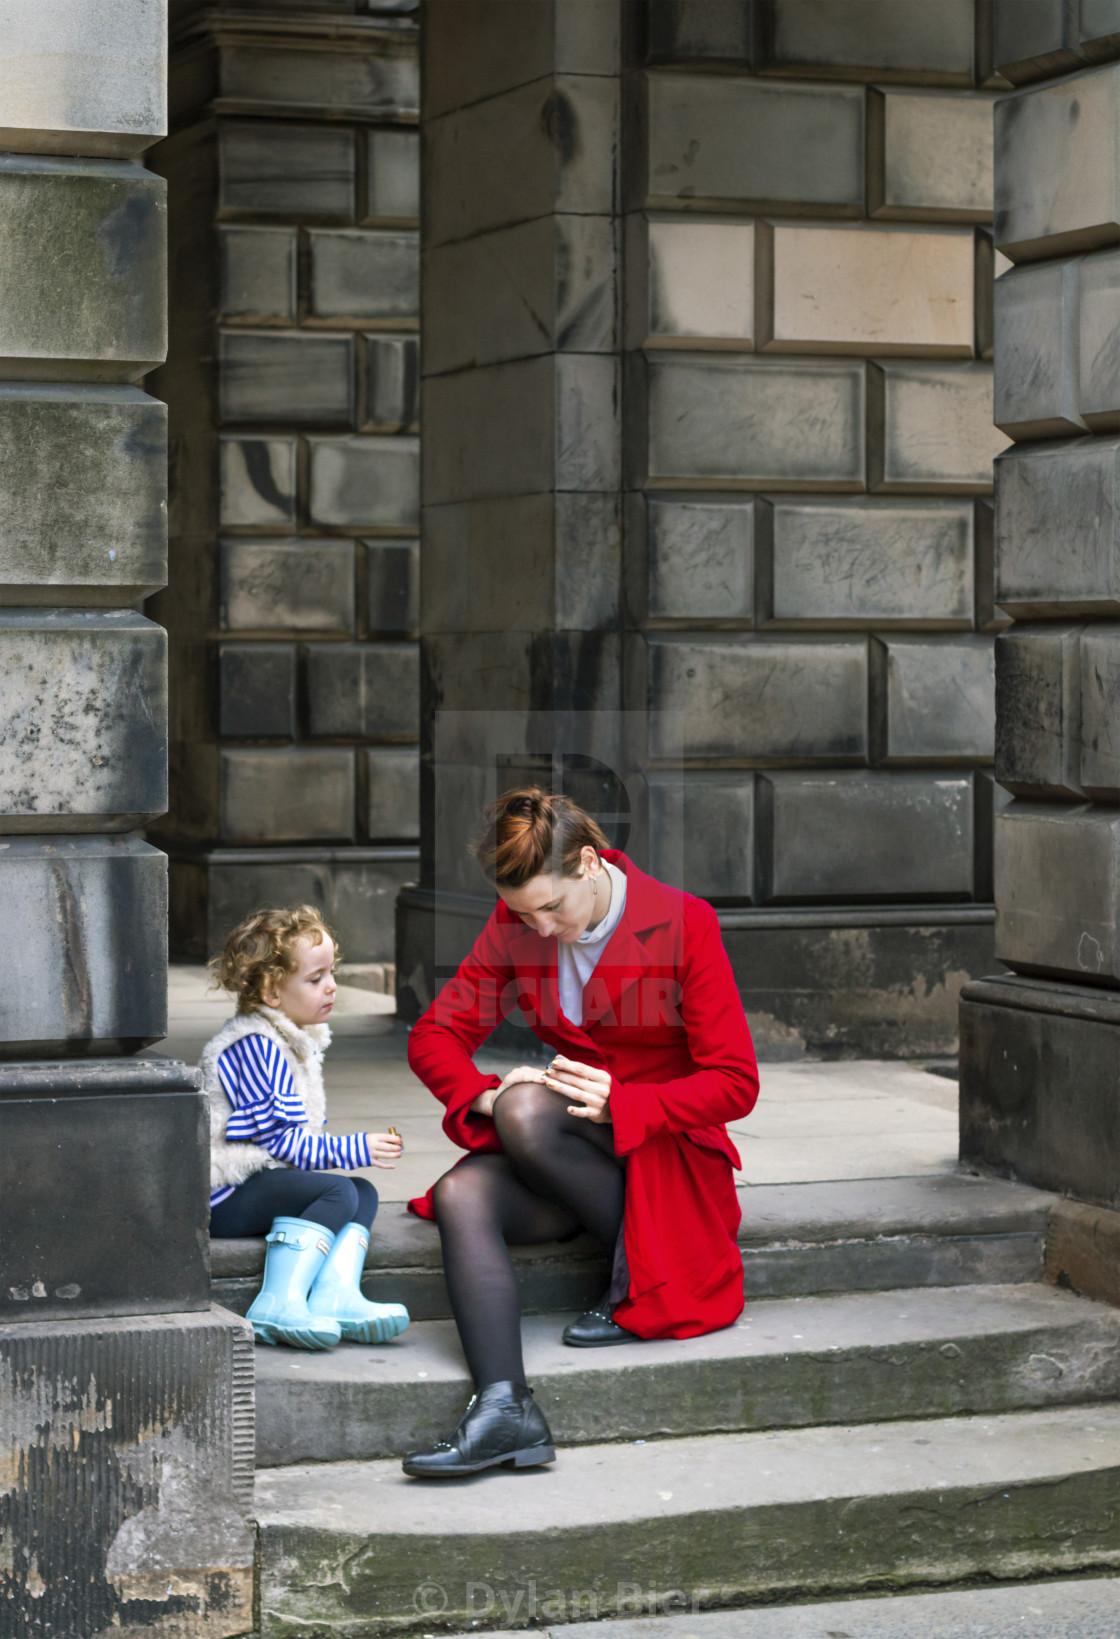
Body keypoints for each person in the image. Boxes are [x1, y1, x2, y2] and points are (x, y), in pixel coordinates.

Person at [401, 788, 759, 1478]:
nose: (537, 927)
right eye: (521, 912)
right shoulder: (516, 928)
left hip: (667, 1158)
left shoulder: (685, 923)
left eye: (551, 907)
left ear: (589, 863)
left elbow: (735, 1082)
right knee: (461, 1193)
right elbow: (435, 1034)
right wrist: (477, 1092)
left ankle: (645, 1277)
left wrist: (626, 1103)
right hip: (568, 1153)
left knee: (527, 1109)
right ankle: (506, 1406)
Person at [204, 905, 410, 1352]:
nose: (332, 986)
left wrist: (351, 1158)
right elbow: (283, 1143)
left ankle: (336, 1296)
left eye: (331, 972)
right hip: (225, 1194)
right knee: (338, 1192)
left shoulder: (289, 1041)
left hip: (263, 1179)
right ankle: (277, 1302)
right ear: (272, 993)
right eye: (315, 979)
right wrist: (356, 1147)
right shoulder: (255, 1047)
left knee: (363, 1192)